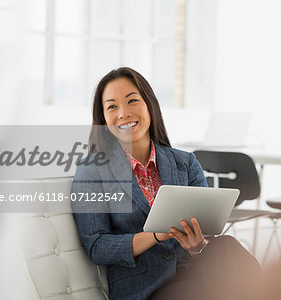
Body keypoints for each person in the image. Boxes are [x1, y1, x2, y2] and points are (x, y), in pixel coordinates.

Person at [71, 67, 260, 300]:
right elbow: (97, 246)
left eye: (132, 101)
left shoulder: (185, 162)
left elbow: (207, 233)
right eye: (112, 106)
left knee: (226, 247)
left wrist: (196, 245)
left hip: (193, 275)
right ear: (103, 118)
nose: (123, 113)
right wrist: (155, 235)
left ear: (149, 105)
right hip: (145, 290)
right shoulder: (92, 170)